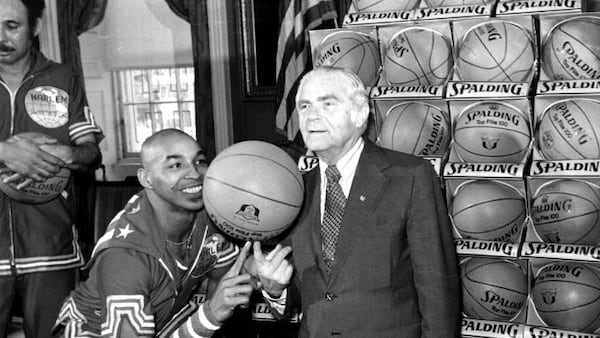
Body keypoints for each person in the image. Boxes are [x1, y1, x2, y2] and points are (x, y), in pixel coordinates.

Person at [253, 67, 461, 338]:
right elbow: (304, 292)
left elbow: (438, 290)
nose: (312, 115)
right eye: (304, 106)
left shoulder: (410, 177)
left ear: (360, 114)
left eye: (327, 103)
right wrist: (275, 289)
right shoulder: (296, 190)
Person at [54, 129, 255, 337]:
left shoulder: (206, 215)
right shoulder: (126, 258)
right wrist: (210, 316)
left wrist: (259, 270)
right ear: (146, 178)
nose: (195, 174)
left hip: (165, 321)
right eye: (176, 165)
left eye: (200, 161)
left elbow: (223, 275)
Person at [0, 0, 103, 336]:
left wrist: (67, 154)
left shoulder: (62, 77)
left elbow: (91, 153)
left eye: (11, 26)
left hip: (51, 247)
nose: (0, 36)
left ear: (35, 27)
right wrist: (5, 153)